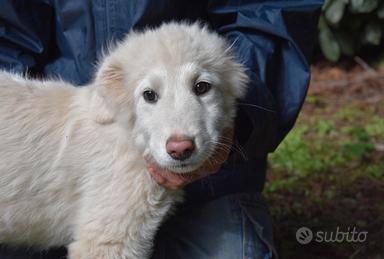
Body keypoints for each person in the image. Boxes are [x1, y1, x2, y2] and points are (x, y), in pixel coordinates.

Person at [0, 1, 323, 258]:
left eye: (200, 87)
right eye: (150, 95)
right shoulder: (112, 120)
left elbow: (267, 20)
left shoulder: (226, 70)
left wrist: (240, 126)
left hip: (216, 184)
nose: (179, 135)